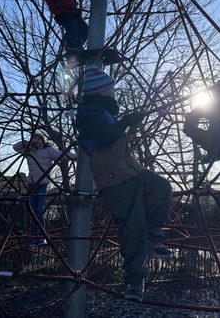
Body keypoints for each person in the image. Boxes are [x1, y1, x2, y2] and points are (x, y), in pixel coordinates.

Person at [75, 65, 172, 302]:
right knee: (133, 226)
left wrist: (127, 122)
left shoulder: (104, 113)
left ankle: (153, 236)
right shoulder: (88, 113)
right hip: (114, 179)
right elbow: (103, 137)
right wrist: (126, 122)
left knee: (161, 187)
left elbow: (113, 133)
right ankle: (134, 281)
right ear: (100, 91)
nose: (114, 92)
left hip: (132, 172)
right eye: (111, 88)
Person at [13, 133, 76, 247]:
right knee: (32, 210)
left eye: (38, 138)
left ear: (43, 140)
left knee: (39, 210)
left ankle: (41, 237)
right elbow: (15, 147)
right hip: (31, 184)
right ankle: (34, 237)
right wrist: (26, 143)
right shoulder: (29, 150)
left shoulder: (48, 150)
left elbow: (61, 155)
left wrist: (75, 157)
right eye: (34, 138)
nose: (36, 140)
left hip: (42, 184)